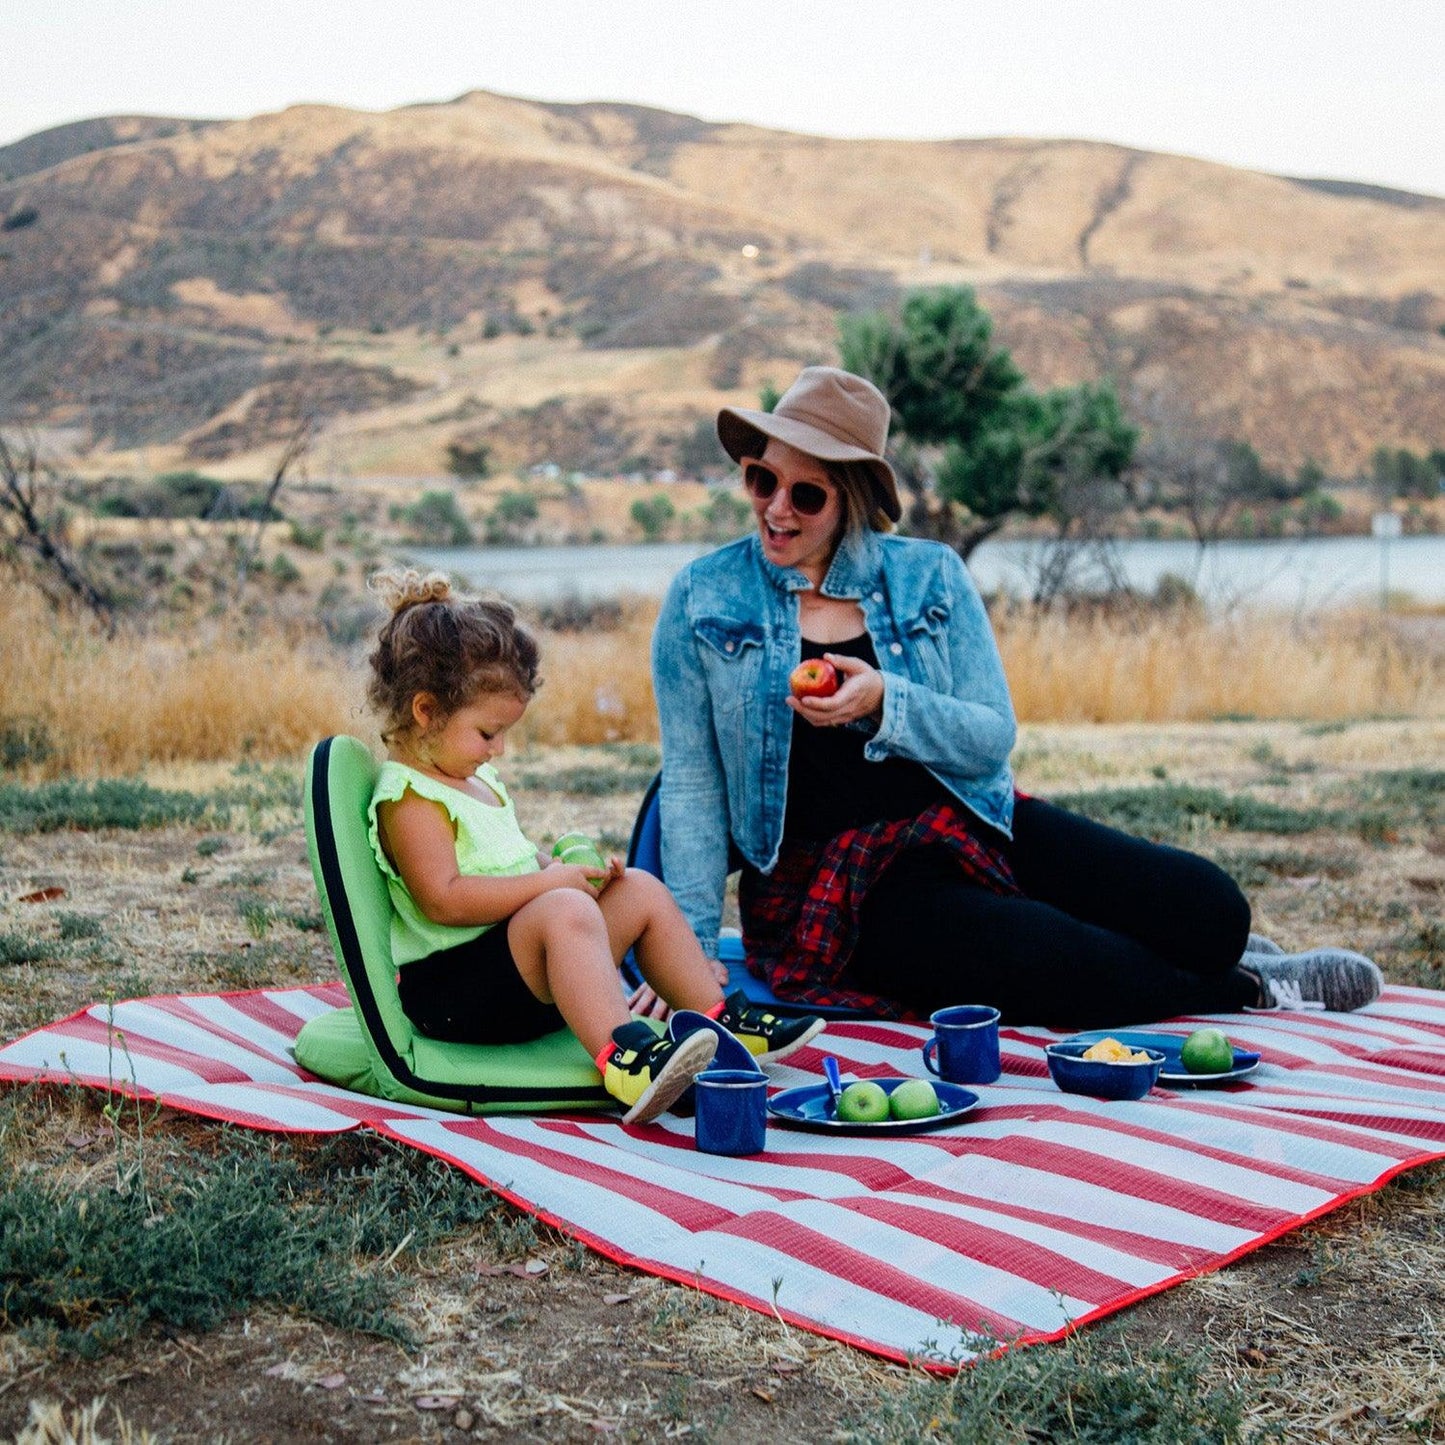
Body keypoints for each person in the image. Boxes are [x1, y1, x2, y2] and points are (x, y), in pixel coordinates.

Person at [651, 367, 1383, 1027]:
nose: (775, 508)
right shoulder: (702, 596)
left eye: (804, 493)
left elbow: (989, 735)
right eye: (759, 479)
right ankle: (1243, 986)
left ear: (852, 498)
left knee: (1209, 906)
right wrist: (683, 940)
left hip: (969, 818)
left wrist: (885, 703)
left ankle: (1207, 947)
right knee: (1071, 968)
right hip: (837, 891)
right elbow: (690, 779)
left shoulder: (929, 576)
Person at [364, 568, 824, 1125]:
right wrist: (551, 886)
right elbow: (444, 899)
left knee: (639, 890)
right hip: (456, 997)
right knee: (562, 906)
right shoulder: (409, 797)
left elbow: (506, 863)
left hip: (514, 971)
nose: (500, 749)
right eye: (488, 733)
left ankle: (723, 1022)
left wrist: (563, 871)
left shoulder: (468, 776)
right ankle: (625, 1058)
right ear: (426, 711)